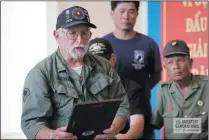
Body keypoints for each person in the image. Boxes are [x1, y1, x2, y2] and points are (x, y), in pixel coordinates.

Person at [21, 6, 130, 139]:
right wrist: (52, 135)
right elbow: (31, 123)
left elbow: (122, 105)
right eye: (72, 33)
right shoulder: (41, 73)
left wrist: (115, 127)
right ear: (57, 36)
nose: (80, 40)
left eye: (84, 33)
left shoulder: (105, 67)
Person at [89, 37, 153, 139]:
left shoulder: (132, 88)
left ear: (113, 59)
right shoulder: (81, 88)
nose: (99, 66)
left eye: (104, 60)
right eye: (94, 61)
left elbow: (136, 130)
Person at [103, 1, 162, 99]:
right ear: (112, 13)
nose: (126, 16)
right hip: (110, 106)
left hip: (141, 106)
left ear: (137, 14)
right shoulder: (102, 44)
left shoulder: (149, 44)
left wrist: (141, 91)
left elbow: (156, 75)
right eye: (122, 11)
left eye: (131, 12)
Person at [151, 40, 208, 139]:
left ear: (191, 62)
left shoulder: (206, 86)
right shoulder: (163, 90)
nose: (176, 67)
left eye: (180, 60)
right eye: (170, 62)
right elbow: (154, 123)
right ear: (165, 67)